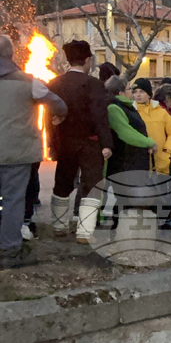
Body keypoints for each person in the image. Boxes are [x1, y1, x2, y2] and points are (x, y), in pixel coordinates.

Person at [0, 35, 66, 267]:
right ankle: (9, 250)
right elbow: (58, 103)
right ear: (11, 54)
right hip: (16, 152)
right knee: (13, 200)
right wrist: (59, 115)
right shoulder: (28, 82)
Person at [46, 40, 114, 242]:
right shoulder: (94, 84)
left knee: (62, 183)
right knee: (92, 185)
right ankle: (84, 232)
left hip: (64, 141)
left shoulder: (54, 83)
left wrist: (51, 143)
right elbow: (100, 117)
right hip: (89, 143)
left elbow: (48, 118)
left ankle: (59, 225)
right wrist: (107, 144)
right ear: (87, 60)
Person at [131, 78, 171, 176]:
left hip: (160, 162)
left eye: (141, 91)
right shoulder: (130, 112)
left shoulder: (161, 112)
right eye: (135, 92)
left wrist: (167, 150)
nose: (138, 95)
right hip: (138, 163)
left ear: (149, 94)